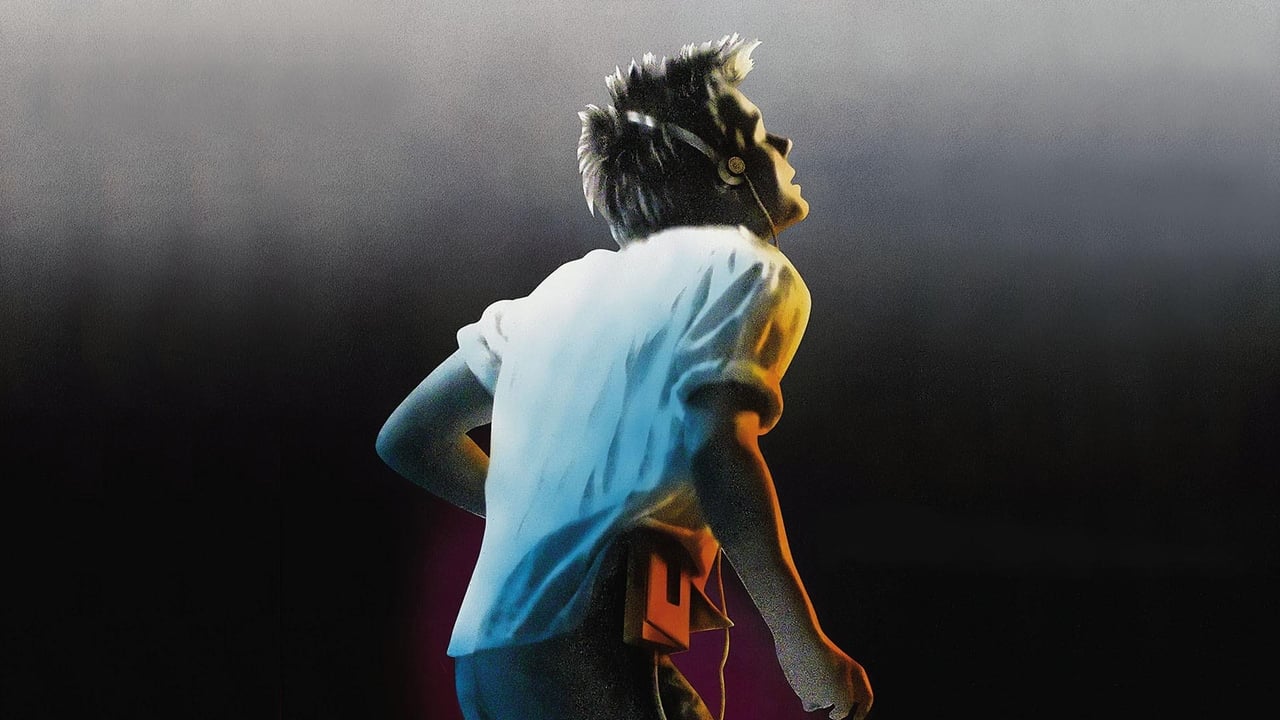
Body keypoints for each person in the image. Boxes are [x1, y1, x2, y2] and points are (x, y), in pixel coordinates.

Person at [376, 35, 873, 720]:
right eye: (759, 133)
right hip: (586, 642)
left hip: (491, 659)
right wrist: (800, 643)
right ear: (728, 167)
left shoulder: (558, 292)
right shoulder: (743, 267)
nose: (782, 144)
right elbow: (719, 452)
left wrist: (546, 520)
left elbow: (409, 437)